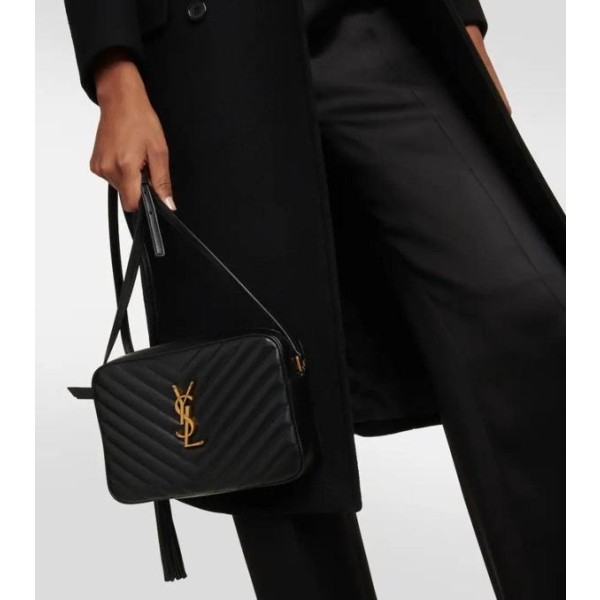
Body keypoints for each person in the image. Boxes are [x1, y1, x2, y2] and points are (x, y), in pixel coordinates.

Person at [64, 0, 565, 598]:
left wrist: (462, 18)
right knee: (259, 412)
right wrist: (114, 71)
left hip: (376, 21)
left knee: (526, 310)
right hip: (205, 44)